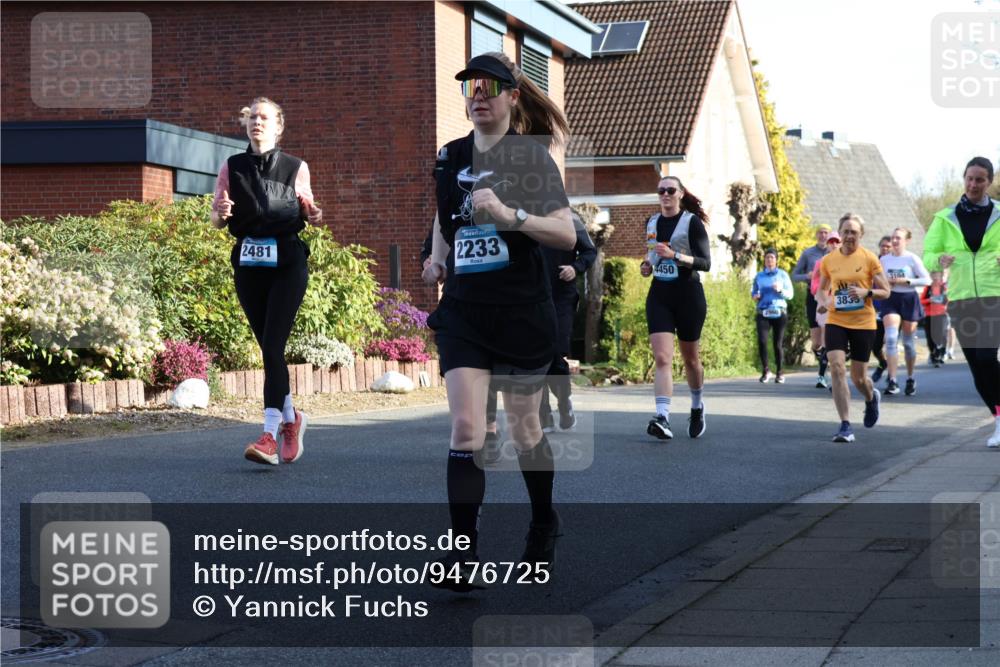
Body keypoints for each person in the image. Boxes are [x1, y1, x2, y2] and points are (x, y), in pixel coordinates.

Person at [422, 52, 576, 590]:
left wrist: (512, 216)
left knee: (524, 427)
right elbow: (445, 217)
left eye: (490, 87)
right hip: (465, 311)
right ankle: (462, 556)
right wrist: (437, 255)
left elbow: (566, 236)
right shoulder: (448, 156)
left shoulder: (531, 161)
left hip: (520, 312)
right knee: (466, 429)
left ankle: (542, 521)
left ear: (513, 97)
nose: (478, 95)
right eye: (470, 87)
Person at [211, 97, 321, 466]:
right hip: (248, 263)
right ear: (245, 125)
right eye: (251, 118)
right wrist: (220, 213)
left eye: (264, 118)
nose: (257, 123)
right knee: (269, 349)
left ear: (278, 126)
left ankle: (269, 434)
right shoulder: (232, 166)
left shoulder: (294, 167)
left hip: (287, 262)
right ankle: (293, 418)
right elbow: (217, 217)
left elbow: (309, 208)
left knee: (273, 345)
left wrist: (313, 212)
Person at [923, 156, 1000, 449]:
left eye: (980, 179)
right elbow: (928, 252)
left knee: (986, 357)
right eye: (970, 178)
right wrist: (937, 260)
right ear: (964, 179)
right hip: (962, 297)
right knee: (977, 369)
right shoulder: (946, 217)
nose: (973, 184)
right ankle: (998, 420)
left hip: (995, 294)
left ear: (989, 182)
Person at [641, 176, 712, 440]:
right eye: (661, 191)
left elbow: (706, 263)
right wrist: (647, 266)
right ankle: (663, 417)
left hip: (688, 295)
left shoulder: (691, 222)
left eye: (670, 190)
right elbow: (651, 256)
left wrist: (676, 256)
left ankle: (696, 406)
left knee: (691, 359)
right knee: (662, 358)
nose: (665, 195)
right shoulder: (651, 222)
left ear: (681, 194)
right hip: (659, 294)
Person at [817, 213, 891, 442]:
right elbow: (822, 289)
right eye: (846, 231)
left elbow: (886, 291)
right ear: (840, 233)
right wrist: (824, 301)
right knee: (837, 367)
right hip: (836, 320)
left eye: (854, 232)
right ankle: (845, 425)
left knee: (859, 377)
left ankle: (870, 398)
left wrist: (866, 292)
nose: (849, 236)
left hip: (863, 322)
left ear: (861, 235)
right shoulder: (829, 261)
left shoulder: (869, 259)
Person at [538, 214, 597, 431]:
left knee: (555, 353)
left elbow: (590, 251)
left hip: (561, 297)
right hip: (532, 298)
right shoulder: (520, 215)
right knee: (536, 358)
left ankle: (564, 402)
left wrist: (576, 267)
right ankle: (543, 414)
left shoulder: (569, 218)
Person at [879, 227, 931, 396]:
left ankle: (910, 377)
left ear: (906, 240)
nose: (894, 241)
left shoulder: (912, 258)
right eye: (893, 238)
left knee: (908, 343)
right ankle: (893, 380)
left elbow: (927, 279)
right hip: (891, 299)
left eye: (898, 238)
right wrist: (886, 282)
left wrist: (906, 280)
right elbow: (876, 279)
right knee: (892, 339)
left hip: (909, 299)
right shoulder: (884, 259)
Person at [793, 225, 832, 388]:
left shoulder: (836, 255)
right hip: (813, 296)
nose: (823, 236)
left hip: (830, 297)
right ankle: (823, 357)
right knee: (816, 342)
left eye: (826, 234)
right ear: (816, 235)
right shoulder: (808, 254)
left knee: (826, 337)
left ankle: (822, 374)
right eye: (820, 233)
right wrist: (807, 276)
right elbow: (794, 275)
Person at [751, 247, 794, 383]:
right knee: (762, 341)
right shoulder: (759, 276)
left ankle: (780, 373)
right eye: (767, 258)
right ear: (764, 260)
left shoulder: (782, 275)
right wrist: (755, 295)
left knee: (777, 343)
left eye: (772, 258)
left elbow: (790, 295)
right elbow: (754, 292)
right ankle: (766, 371)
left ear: (776, 260)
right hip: (763, 311)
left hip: (779, 312)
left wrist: (780, 290)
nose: (769, 260)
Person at [810, 230, 842, 387]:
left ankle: (836, 369)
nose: (834, 245)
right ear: (827, 245)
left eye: (837, 241)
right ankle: (822, 376)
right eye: (831, 242)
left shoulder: (848, 262)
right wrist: (824, 293)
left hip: (842, 303)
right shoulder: (821, 262)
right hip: (824, 302)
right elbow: (814, 285)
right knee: (826, 338)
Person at [870, 236, 893, 383]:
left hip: (893, 308)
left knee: (891, 341)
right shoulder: (873, 263)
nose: (885, 249)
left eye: (888, 247)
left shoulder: (894, 264)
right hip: (876, 308)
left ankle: (892, 377)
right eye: (883, 246)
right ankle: (883, 363)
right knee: (876, 346)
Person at [920, 271, 949, 366]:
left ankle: (941, 353)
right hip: (929, 315)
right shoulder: (928, 288)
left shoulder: (944, 287)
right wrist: (929, 300)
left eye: (937, 274)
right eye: (933, 275)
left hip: (941, 314)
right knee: (930, 337)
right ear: (931, 276)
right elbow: (921, 301)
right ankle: (934, 355)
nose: (935, 277)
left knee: (942, 334)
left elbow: (950, 298)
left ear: (941, 276)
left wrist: (947, 304)